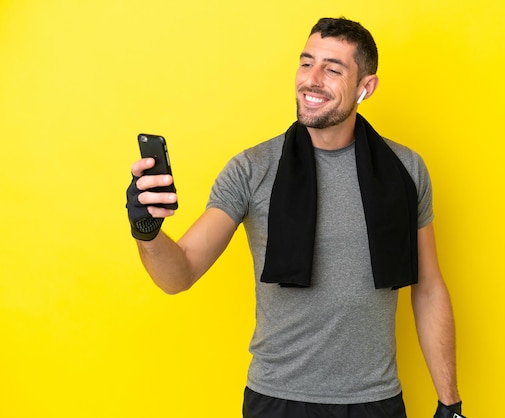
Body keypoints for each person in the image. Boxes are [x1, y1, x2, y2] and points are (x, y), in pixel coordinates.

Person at [126, 17, 465, 418]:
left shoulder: (405, 169)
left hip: (375, 400)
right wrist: (146, 231)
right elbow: (179, 274)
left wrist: (451, 404)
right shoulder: (251, 169)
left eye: (332, 69)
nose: (312, 79)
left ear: (365, 88)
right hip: (277, 400)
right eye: (306, 63)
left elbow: (427, 288)